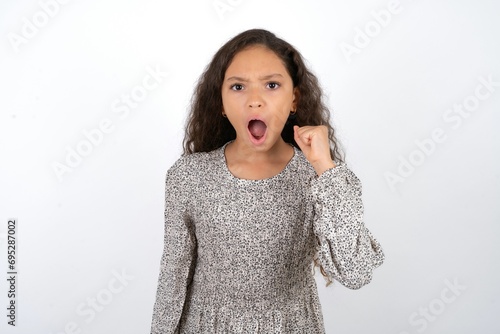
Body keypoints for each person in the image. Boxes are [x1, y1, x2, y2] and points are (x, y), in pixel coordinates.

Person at [150, 28, 384, 334]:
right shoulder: (189, 176)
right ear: (220, 101)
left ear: (294, 99)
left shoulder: (322, 178)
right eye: (238, 87)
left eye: (272, 85)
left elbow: (356, 272)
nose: (255, 101)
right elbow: (173, 276)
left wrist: (325, 167)